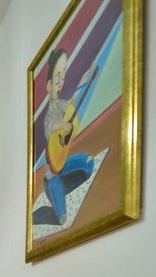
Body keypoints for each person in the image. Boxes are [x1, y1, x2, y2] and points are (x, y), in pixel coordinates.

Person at [43, 48, 97, 226]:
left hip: (63, 164)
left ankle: (63, 187)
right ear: (49, 85)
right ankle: (57, 193)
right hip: (52, 176)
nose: (60, 83)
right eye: (56, 79)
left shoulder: (61, 104)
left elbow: (71, 105)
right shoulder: (50, 114)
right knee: (62, 217)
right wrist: (62, 125)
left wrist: (82, 82)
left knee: (88, 163)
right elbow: (50, 127)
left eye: (62, 77)